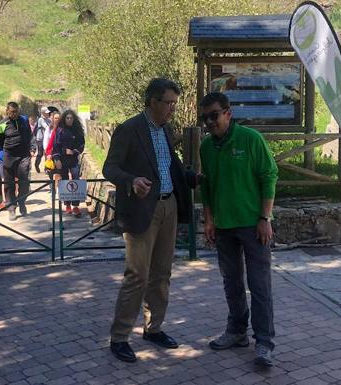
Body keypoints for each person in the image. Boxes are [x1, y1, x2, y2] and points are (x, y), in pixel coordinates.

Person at [103, 78, 197, 363]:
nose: (172, 109)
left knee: (162, 274)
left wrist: (190, 178)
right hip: (142, 210)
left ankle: (153, 328)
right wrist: (131, 180)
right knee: (137, 276)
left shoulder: (166, 130)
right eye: (168, 103)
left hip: (168, 206)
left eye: (174, 104)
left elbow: (170, 166)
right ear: (152, 101)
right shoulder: (129, 129)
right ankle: (119, 338)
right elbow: (110, 167)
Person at [198, 92, 278, 367]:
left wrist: (265, 218)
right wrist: (209, 220)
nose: (209, 122)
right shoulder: (206, 147)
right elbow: (207, 187)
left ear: (228, 113)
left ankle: (265, 343)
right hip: (224, 227)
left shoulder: (250, 139)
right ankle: (236, 332)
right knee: (231, 283)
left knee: (259, 285)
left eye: (214, 115)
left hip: (254, 225)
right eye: (205, 117)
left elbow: (269, 176)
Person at [0, 101, 32, 220]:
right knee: (9, 184)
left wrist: (33, 147)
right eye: (12, 112)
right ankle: (11, 208)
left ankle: (21, 201)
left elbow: (30, 135)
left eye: (16, 112)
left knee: (24, 180)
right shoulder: (2, 124)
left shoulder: (24, 120)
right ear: (7, 111)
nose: (14, 114)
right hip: (9, 156)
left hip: (23, 155)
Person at [52, 109, 85, 217]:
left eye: (71, 118)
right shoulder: (60, 130)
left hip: (73, 159)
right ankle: (67, 205)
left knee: (75, 179)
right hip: (62, 160)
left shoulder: (78, 130)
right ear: (64, 119)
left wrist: (74, 151)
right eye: (67, 118)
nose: (69, 120)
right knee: (65, 180)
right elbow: (55, 146)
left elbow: (81, 145)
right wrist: (57, 159)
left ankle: (76, 206)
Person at [35, 107, 51, 173]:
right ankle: (36, 164)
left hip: (47, 139)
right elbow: (46, 127)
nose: (48, 114)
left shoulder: (49, 120)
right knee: (40, 153)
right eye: (46, 113)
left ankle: (46, 168)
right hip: (40, 139)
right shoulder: (40, 120)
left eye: (48, 112)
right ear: (43, 113)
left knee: (47, 153)